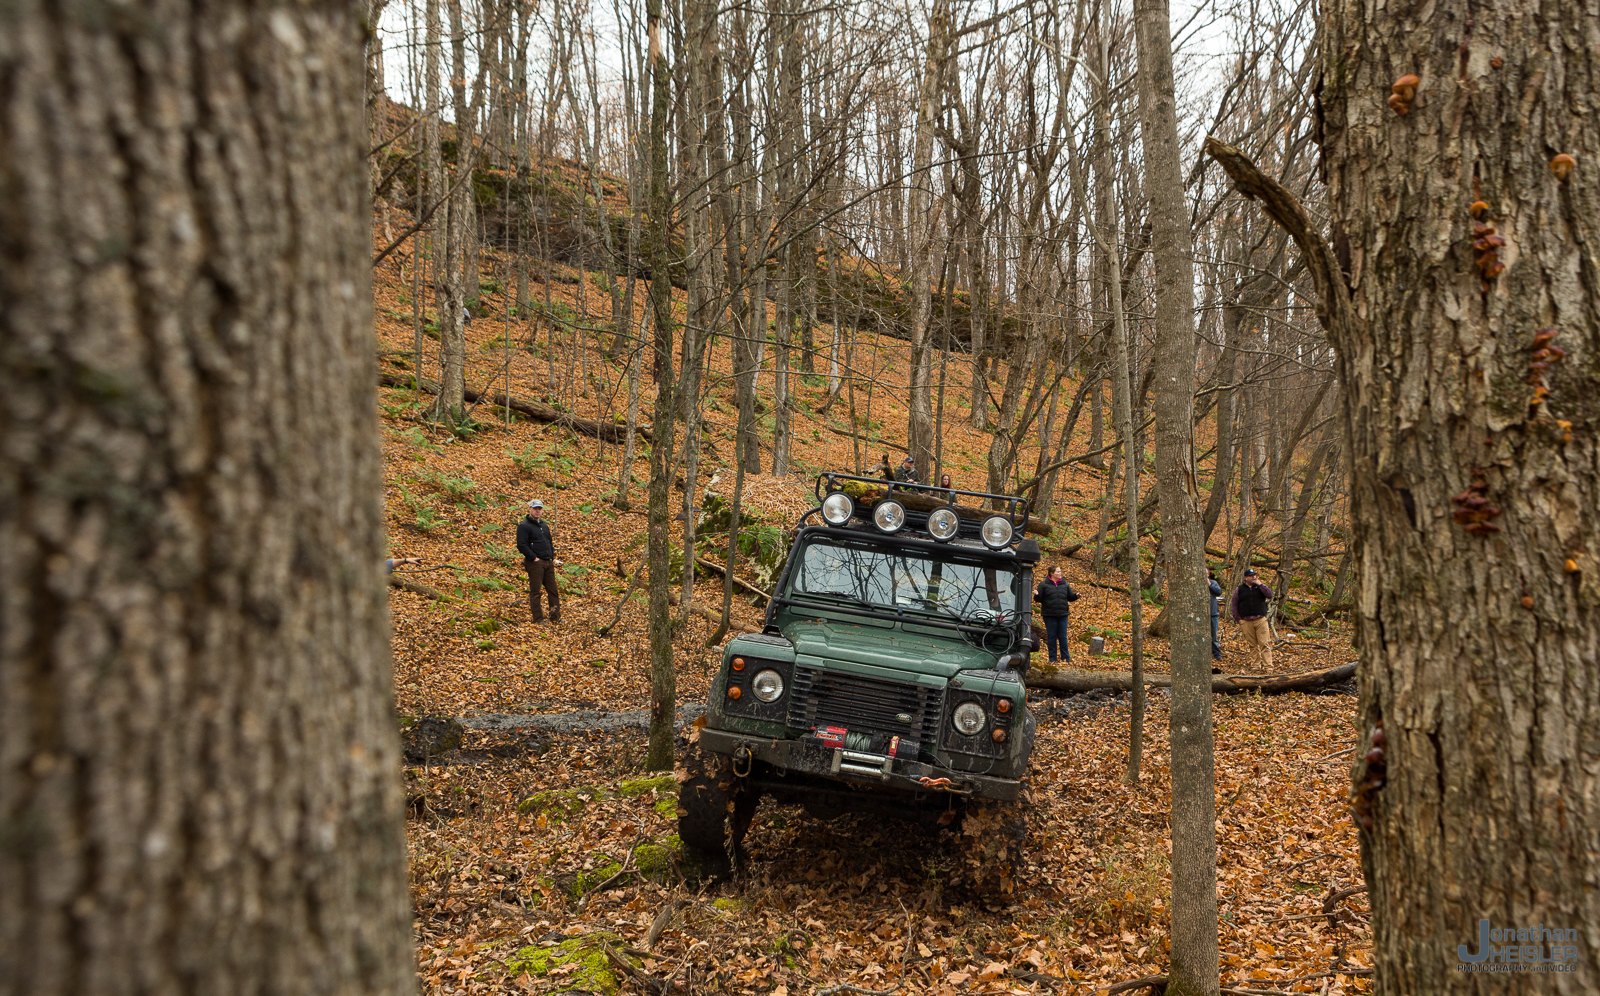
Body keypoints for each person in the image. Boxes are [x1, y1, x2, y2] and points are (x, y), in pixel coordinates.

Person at [516, 499, 562, 623]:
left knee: (553, 591)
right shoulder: (524, 526)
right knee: (536, 592)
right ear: (530, 509)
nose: (538, 511)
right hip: (535, 563)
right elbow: (521, 545)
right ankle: (538, 619)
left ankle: (555, 617)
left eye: (540, 509)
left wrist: (551, 556)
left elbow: (549, 542)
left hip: (548, 562)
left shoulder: (544, 526)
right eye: (535, 508)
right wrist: (533, 558)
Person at [1033, 565, 1080, 664]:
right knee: (1052, 636)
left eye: (1060, 571)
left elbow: (1070, 597)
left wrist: (1076, 596)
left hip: (1063, 614)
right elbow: (1039, 599)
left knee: (1063, 636)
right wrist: (1037, 594)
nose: (1060, 573)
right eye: (1058, 571)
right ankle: (1052, 658)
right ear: (1052, 573)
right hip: (1049, 614)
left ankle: (1066, 658)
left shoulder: (1065, 584)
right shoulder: (1044, 585)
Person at [1229, 568, 1274, 670]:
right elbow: (1234, 605)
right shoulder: (1239, 589)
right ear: (1246, 578)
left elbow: (1270, 595)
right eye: (1251, 576)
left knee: (1264, 643)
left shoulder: (1260, 587)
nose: (1253, 577)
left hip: (1260, 619)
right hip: (1246, 621)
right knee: (1252, 645)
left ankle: (1268, 666)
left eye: (1254, 575)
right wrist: (1238, 620)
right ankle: (1255, 665)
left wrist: (1260, 584)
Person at [1207, 569, 1224, 661]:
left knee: (1214, 635)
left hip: (1213, 613)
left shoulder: (1213, 583)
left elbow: (1219, 592)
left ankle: (1217, 654)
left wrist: (1209, 584)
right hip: (1201, 615)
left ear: (1208, 574)